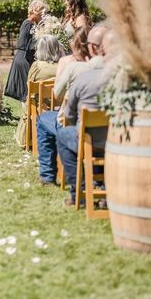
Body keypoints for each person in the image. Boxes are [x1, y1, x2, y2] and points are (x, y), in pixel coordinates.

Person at [35, 25, 107, 186]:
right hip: (110, 134)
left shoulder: (73, 68)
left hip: (79, 129)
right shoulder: (116, 70)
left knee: (43, 120)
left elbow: (57, 95)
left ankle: (49, 176)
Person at [57, 30, 115, 206]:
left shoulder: (82, 79)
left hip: (88, 140)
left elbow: (69, 114)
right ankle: (106, 190)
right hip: (116, 140)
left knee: (62, 135)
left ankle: (79, 192)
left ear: (92, 48)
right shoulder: (119, 77)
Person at [13, 34, 65, 147]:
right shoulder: (63, 66)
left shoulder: (37, 66)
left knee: (26, 102)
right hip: (60, 106)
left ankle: (28, 139)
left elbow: (29, 86)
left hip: (40, 107)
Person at [4, 0, 49, 102]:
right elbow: (23, 44)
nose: (44, 16)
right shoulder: (28, 24)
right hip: (24, 58)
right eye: (42, 12)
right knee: (27, 91)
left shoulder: (32, 24)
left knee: (28, 91)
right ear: (35, 11)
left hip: (26, 57)